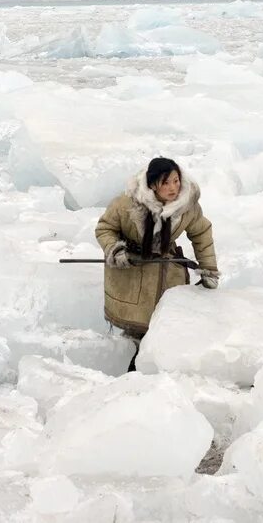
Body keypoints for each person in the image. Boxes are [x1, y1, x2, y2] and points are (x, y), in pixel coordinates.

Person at [95, 157, 219, 368]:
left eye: (176, 181)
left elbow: (201, 232)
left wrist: (208, 268)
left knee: (163, 323)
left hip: (167, 271)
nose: (174, 188)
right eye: (166, 183)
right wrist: (115, 249)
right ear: (152, 185)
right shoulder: (127, 203)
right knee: (137, 328)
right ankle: (132, 372)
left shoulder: (187, 206)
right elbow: (105, 228)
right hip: (132, 272)